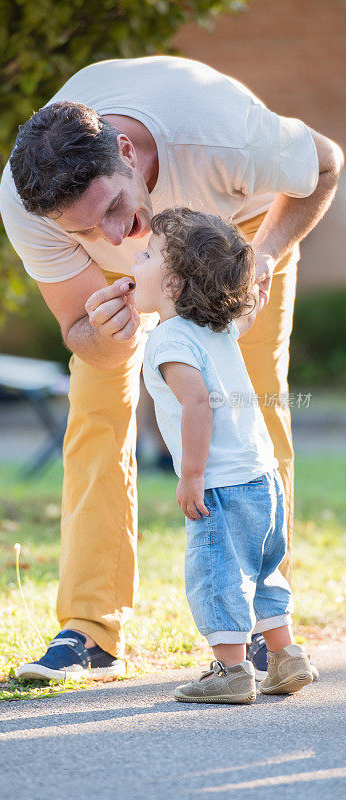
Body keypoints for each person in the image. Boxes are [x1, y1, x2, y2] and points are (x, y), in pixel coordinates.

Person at [0, 56, 343, 682]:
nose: (115, 233)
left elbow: (325, 164)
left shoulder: (227, 135)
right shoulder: (30, 204)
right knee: (97, 408)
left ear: (126, 151)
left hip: (237, 231)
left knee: (254, 406)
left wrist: (261, 256)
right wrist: (108, 337)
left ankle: (271, 631)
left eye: (113, 206)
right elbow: (81, 335)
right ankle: (90, 630)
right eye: (86, 228)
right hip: (131, 284)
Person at [139, 207, 313, 703]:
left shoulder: (169, 340)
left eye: (147, 254)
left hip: (219, 484)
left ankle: (232, 671)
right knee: (263, 570)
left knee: (217, 572)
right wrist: (255, 296)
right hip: (264, 477)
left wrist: (191, 475)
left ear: (172, 285)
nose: (135, 258)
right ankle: (286, 657)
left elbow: (196, 403)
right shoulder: (214, 328)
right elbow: (245, 317)